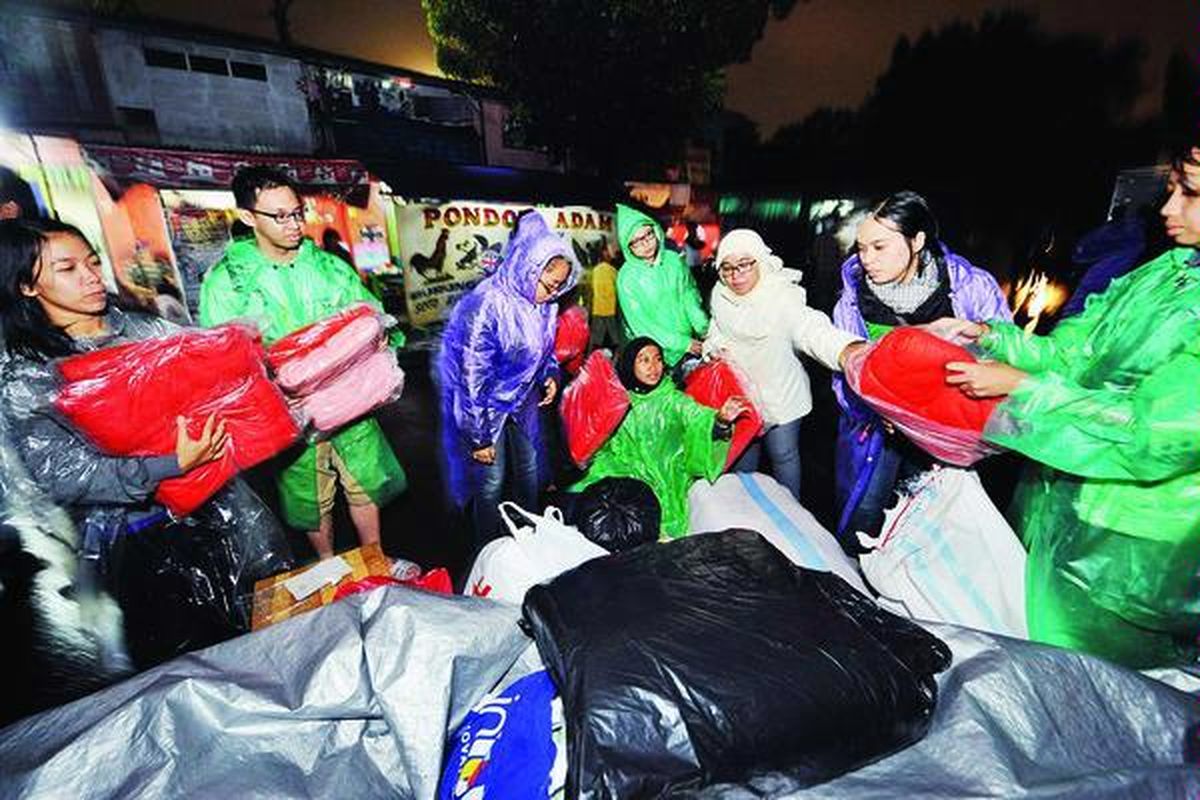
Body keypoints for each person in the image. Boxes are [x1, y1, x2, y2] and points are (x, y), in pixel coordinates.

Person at [937, 144, 1200, 669]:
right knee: (1032, 676)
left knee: (1106, 708)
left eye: (1190, 194)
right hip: (1058, 512)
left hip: (1127, 558)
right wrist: (992, 339)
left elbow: (1151, 434)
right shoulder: (1164, 273)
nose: (1168, 209)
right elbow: (1074, 351)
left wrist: (1021, 390)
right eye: (1173, 190)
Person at [0, 218, 293, 666]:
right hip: (140, 541)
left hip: (218, 511)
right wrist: (170, 463)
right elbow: (66, 476)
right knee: (189, 666)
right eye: (67, 268)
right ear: (26, 285)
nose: (91, 276)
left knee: (264, 638)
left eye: (93, 261)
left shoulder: (142, 330)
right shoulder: (33, 374)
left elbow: (213, 392)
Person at [198, 166, 406, 559]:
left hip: (352, 404)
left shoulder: (327, 267)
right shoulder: (228, 282)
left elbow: (371, 319)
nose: (294, 224)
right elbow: (223, 360)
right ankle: (327, 567)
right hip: (289, 416)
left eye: (297, 212)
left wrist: (381, 339)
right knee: (310, 496)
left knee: (363, 482)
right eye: (279, 216)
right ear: (247, 217)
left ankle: (374, 562)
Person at [832, 190, 1010, 543]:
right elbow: (843, 374)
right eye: (862, 248)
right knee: (863, 515)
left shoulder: (968, 287)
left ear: (917, 241)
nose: (867, 259)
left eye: (879, 247)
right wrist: (871, 408)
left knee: (931, 522)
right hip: (881, 433)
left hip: (944, 429)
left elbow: (1008, 349)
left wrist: (985, 339)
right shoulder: (853, 301)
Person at [437, 211, 579, 549]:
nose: (554, 293)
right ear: (530, 269)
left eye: (561, 286)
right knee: (492, 481)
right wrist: (480, 438)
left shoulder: (546, 304)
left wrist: (549, 373)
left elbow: (545, 350)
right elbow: (472, 378)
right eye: (549, 284)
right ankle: (488, 550)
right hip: (487, 406)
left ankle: (527, 540)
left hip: (524, 398)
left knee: (531, 470)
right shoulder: (488, 303)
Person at [705, 229, 865, 502]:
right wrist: (712, 347)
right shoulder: (720, 295)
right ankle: (748, 518)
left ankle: (790, 515)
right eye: (727, 268)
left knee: (784, 456)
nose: (736, 275)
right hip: (741, 397)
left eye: (744, 265)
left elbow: (810, 329)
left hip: (781, 393)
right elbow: (715, 330)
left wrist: (848, 352)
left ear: (760, 260)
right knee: (743, 458)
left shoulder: (781, 297)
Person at [569, 337, 747, 538]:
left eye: (658, 359)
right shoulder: (617, 399)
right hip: (623, 470)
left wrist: (721, 420)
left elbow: (699, 418)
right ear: (630, 365)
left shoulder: (672, 399)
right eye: (644, 360)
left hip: (664, 475)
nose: (653, 367)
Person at [614, 204, 708, 368]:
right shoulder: (627, 278)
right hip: (652, 354)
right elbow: (640, 323)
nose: (645, 243)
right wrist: (682, 343)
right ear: (627, 247)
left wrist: (703, 328)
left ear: (655, 230)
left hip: (689, 347)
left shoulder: (673, 260)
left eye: (648, 235)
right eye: (636, 242)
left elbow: (688, 295)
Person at [587, 242, 622, 349]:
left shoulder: (595, 270)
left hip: (598, 309)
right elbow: (619, 289)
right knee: (616, 339)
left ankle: (592, 359)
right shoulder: (613, 271)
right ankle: (616, 357)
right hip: (611, 310)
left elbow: (591, 291)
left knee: (596, 340)